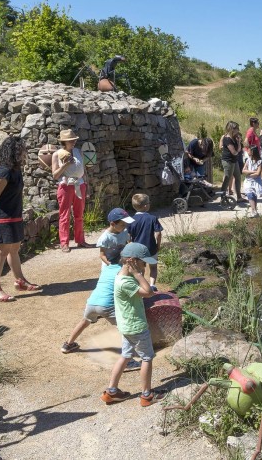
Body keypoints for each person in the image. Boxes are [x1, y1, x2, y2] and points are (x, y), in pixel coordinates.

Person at [101, 243, 163, 407]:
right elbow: (149, 292)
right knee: (147, 358)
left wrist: (136, 273)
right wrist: (137, 273)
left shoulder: (121, 277)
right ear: (133, 261)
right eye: (143, 262)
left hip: (126, 326)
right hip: (136, 327)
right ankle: (147, 395)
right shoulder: (126, 282)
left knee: (126, 355)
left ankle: (111, 392)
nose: (145, 266)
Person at [0, 136, 38, 302]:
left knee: (14, 249)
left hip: (14, 215)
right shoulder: (4, 171)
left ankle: (20, 281)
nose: (25, 152)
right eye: (22, 149)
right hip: (2, 217)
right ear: (15, 151)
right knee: (1, 252)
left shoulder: (16, 170)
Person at [52, 129, 89, 253]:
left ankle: (80, 240)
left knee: (79, 215)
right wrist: (65, 165)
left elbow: (83, 170)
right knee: (65, 215)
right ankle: (64, 243)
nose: (73, 142)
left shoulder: (78, 152)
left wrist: (86, 186)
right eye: (70, 140)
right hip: (65, 186)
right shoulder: (57, 154)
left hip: (80, 185)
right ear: (64, 142)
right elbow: (55, 175)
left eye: (74, 140)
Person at [127, 193, 162, 288]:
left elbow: (128, 236)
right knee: (153, 267)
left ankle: (142, 286)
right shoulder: (152, 218)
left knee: (140, 269)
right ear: (146, 206)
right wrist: (158, 245)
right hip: (151, 247)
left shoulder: (131, 220)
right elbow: (158, 233)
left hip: (137, 250)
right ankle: (152, 285)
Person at [219, 121, 241, 199]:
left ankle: (239, 197)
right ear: (232, 129)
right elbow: (234, 152)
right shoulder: (227, 139)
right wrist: (237, 151)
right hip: (228, 161)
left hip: (234, 160)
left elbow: (238, 149)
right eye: (236, 128)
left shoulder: (235, 137)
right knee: (227, 178)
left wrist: (238, 142)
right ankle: (223, 196)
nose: (238, 130)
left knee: (238, 177)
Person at [242, 145, 262, 218]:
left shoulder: (259, 161)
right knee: (250, 194)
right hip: (248, 181)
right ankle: (253, 210)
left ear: (252, 152)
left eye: (248, 150)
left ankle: (254, 210)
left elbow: (258, 173)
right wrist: (252, 172)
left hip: (256, 181)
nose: (247, 151)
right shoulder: (248, 160)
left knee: (254, 195)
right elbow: (243, 170)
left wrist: (249, 174)